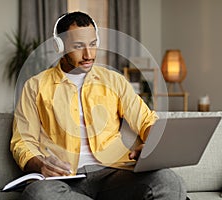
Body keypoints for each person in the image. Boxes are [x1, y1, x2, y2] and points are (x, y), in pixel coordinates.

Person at [11, 11, 187, 200]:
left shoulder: (114, 80)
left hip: (112, 174)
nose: (88, 54)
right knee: (38, 194)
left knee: (167, 180)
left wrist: (152, 145)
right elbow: (23, 141)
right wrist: (41, 165)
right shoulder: (35, 86)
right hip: (63, 179)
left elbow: (146, 120)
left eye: (93, 44)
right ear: (59, 46)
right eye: (79, 46)